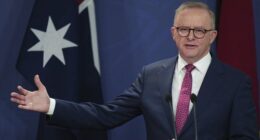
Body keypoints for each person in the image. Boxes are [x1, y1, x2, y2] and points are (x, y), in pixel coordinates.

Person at [10, 1, 258, 140]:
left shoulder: (235, 83)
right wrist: (51, 105)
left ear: (212, 36)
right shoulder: (152, 76)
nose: (191, 37)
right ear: (173, 33)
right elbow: (106, 115)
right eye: (183, 29)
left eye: (200, 31)